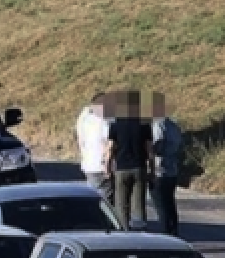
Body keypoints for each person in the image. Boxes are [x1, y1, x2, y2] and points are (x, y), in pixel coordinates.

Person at [103, 90, 153, 230]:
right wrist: (152, 170)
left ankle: (124, 233)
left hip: (121, 168)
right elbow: (149, 150)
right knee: (139, 204)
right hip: (139, 167)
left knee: (121, 205)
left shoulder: (116, 124)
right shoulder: (144, 124)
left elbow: (110, 148)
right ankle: (140, 232)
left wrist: (107, 168)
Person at [150, 97, 184, 236]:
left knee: (160, 204)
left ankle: (166, 232)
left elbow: (157, 144)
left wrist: (149, 153)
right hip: (172, 169)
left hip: (159, 168)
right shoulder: (174, 125)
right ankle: (173, 230)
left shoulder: (158, 125)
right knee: (170, 202)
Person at [77, 92, 114, 205]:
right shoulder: (104, 122)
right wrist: (108, 166)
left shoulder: (84, 119)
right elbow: (110, 143)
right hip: (102, 166)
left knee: (93, 197)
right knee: (106, 201)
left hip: (89, 165)